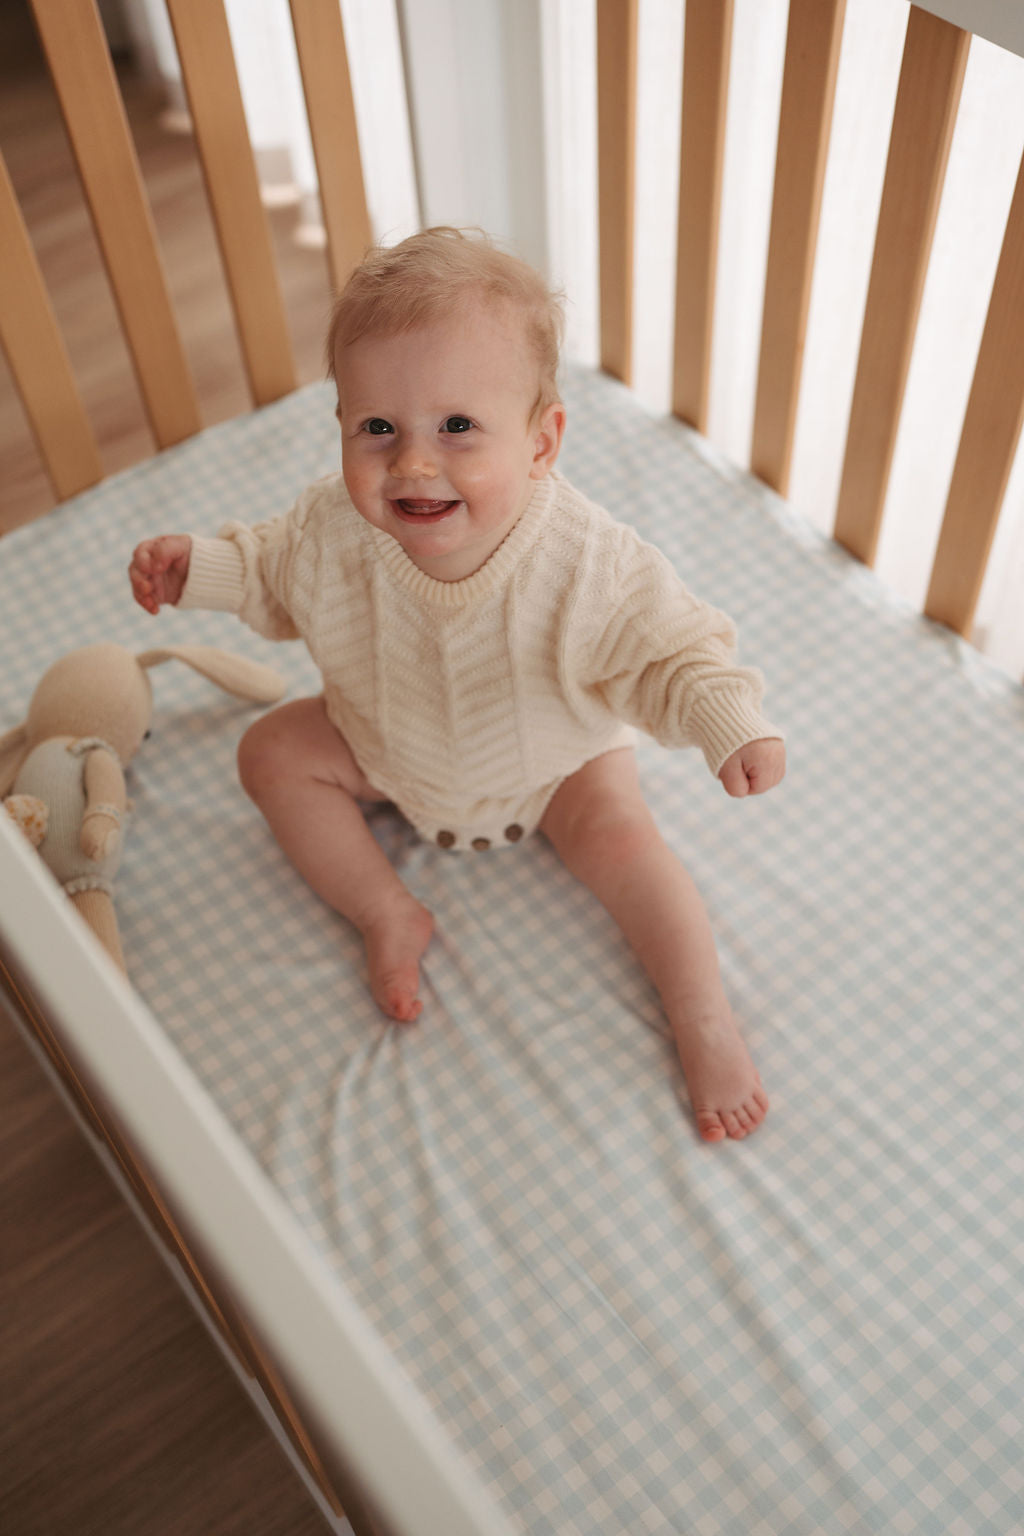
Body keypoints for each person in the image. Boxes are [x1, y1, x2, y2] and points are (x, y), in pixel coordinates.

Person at [129, 227, 785, 1143]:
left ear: (543, 440)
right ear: (344, 428)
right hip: (382, 743)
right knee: (271, 752)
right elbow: (272, 569)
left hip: (558, 765)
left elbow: (669, 646)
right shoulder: (333, 526)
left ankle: (702, 1016)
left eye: (458, 428)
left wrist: (728, 720)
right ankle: (385, 908)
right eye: (378, 429)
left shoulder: (586, 561)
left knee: (630, 846)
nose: (413, 463)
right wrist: (195, 568)